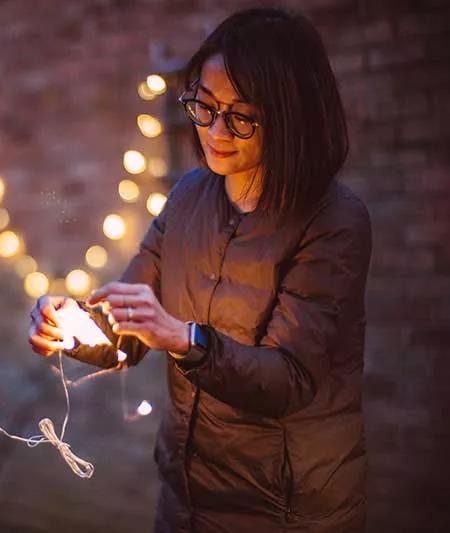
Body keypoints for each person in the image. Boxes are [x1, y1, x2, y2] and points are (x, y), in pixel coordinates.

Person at [29, 8, 371, 533]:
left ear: (291, 116)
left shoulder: (332, 220)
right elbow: (128, 334)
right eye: (204, 106)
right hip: (186, 498)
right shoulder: (189, 195)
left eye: (241, 116)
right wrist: (69, 328)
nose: (216, 130)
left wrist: (184, 337)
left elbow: (290, 380)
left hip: (286, 511)